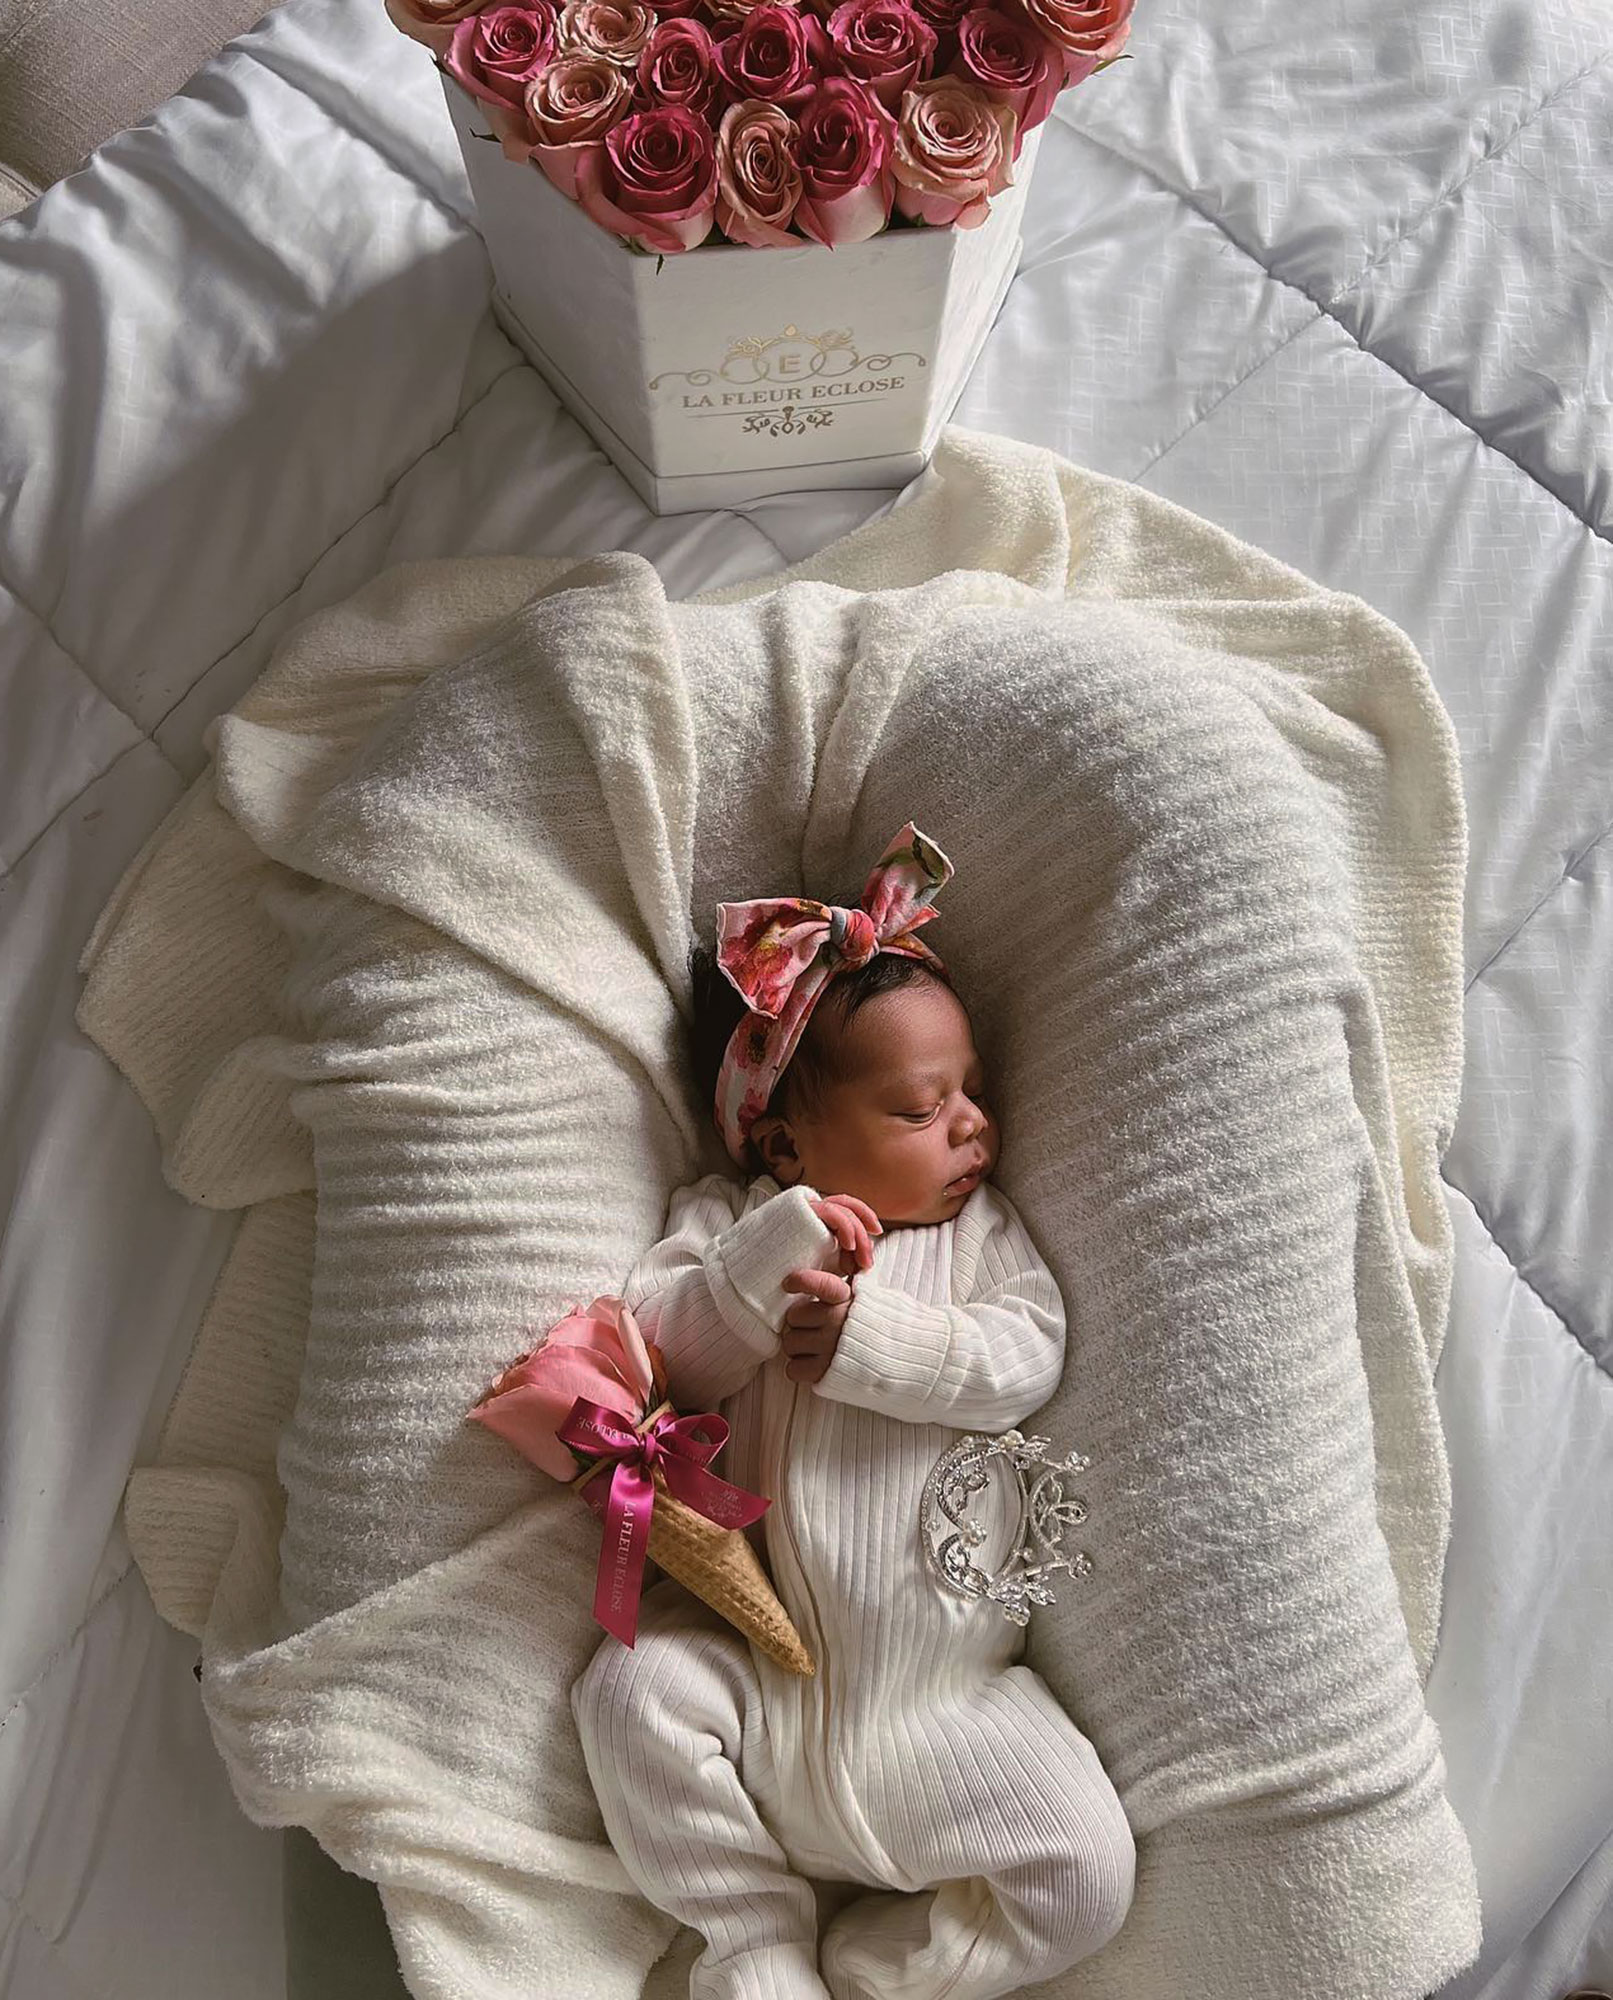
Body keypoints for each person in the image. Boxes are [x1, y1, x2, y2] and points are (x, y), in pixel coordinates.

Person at [571, 824, 1134, 2000]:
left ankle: (878, 1976)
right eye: (922, 1107)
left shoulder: (975, 1239)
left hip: (947, 1708)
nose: (972, 1123)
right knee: (626, 1696)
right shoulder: (726, 1220)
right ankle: (753, 1941)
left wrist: (876, 1344)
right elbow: (657, 1354)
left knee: (1087, 1875)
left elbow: (1027, 1354)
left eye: (970, 1089)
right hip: (756, 1694)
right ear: (783, 1141)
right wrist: (765, 1256)